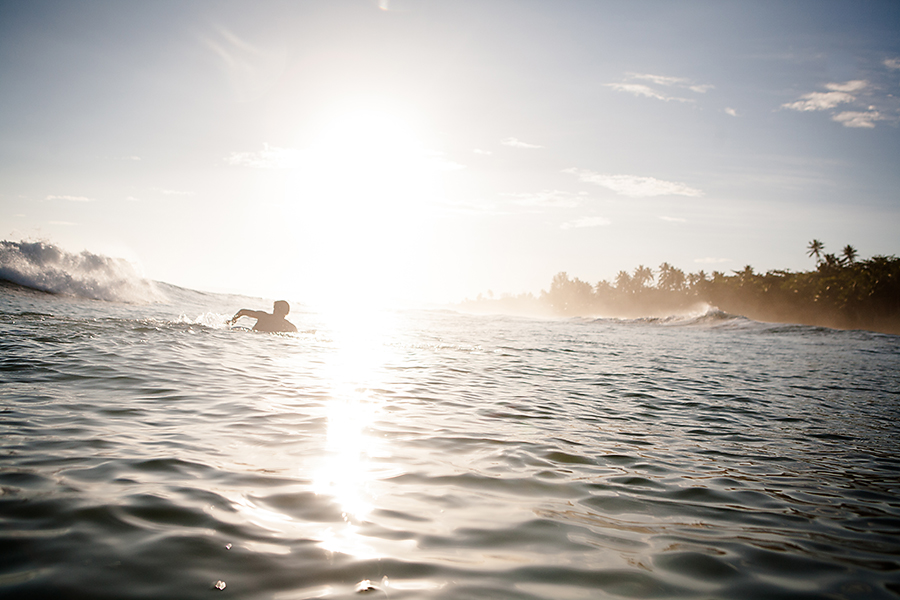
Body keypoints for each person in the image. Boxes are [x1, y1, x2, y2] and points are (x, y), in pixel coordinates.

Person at [228, 300, 298, 333]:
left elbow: (242, 312)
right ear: (287, 312)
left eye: (274, 307)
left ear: (276, 309)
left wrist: (232, 321)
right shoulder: (290, 327)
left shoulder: (264, 316)